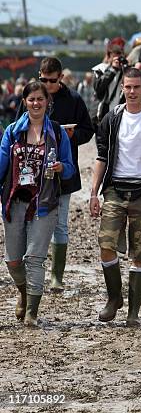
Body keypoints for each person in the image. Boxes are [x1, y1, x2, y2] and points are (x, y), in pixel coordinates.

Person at [89, 68, 141, 326]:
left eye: (136, 87)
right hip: (114, 189)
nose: (132, 92)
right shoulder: (112, 118)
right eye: (127, 87)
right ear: (122, 88)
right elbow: (101, 157)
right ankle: (114, 299)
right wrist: (93, 192)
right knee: (106, 244)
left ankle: (133, 312)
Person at [16, 57, 95, 292]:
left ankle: (56, 276)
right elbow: (18, 126)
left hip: (63, 171)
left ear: (61, 78)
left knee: (60, 224)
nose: (47, 85)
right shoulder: (33, 97)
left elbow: (88, 130)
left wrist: (72, 136)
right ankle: (31, 269)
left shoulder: (74, 99)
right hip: (32, 171)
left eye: (52, 81)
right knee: (29, 219)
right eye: (43, 80)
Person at [0, 81, 75, 326]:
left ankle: (32, 312)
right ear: (24, 102)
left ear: (47, 102)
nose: (36, 103)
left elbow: (70, 169)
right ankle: (23, 293)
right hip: (15, 202)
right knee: (13, 260)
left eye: (40, 99)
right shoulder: (12, 131)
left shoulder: (57, 131)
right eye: (31, 99)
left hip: (44, 203)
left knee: (34, 258)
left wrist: (61, 167)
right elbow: (1, 166)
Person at [92, 44, 128, 125]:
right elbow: (98, 88)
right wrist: (112, 70)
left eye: (120, 55)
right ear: (109, 56)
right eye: (115, 56)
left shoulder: (124, 71)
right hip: (102, 112)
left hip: (120, 112)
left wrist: (126, 68)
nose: (118, 59)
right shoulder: (100, 69)